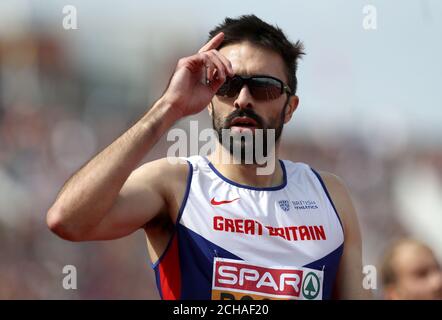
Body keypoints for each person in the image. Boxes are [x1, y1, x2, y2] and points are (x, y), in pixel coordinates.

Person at [47, 15, 368, 300]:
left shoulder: (329, 196)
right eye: (227, 85)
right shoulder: (174, 184)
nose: (243, 99)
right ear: (211, 100)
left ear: (290, 108)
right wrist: (168, 107)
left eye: (264, 88)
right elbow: (68, 221)